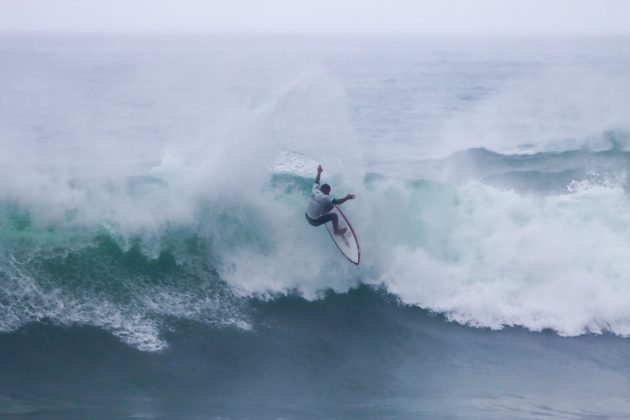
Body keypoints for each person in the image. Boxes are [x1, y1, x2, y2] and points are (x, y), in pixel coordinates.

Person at [305, 164, 355, 235]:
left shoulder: (314, 189)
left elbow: (317, 181)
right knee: (334, 215)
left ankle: (322, 213)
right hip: (314, 222)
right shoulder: (325, 197)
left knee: (325, 204)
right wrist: (347, 198)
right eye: (328, 192)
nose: (329, 193)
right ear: (326, 191)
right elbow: (337, 202)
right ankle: (336, 231)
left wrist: (319, 172)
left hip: (306, 217)